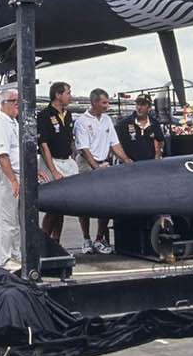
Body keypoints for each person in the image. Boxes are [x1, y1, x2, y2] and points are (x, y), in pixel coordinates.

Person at [74, 88, 130, 253]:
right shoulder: (82, 121)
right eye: (104, 102)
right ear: (94, 102)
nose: (107, 105)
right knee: (83, 203)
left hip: (104, 163)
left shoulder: (107, 120)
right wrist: (96, 168)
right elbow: (84, 149)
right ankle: (86, 239)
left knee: (106, 202)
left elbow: (115, 144)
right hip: (86, 163)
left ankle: (100, 238)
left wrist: (127, 160)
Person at [0, 88, 23, 271]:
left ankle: (16, 255)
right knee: (4, 219)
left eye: (18, 100)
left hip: (14, 173)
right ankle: (3, 259)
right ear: (2, 103)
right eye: (13, 100)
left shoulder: (13, 123)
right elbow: (2, 156)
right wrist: (13, 179)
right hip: (4, 175)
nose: (17, 103)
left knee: (14, 220)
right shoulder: (0, 123)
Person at [36, 81, 75, 248]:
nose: (70, 96)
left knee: (62, 207)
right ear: (58, 95)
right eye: (68, 93)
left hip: (67, 161)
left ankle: (56, 242)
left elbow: (70, 140)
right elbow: (43, 145)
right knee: (53, 206)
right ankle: (43, 242)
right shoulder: (44, 115)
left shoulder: (68, 114)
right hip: (52, 162)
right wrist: (53, 171)